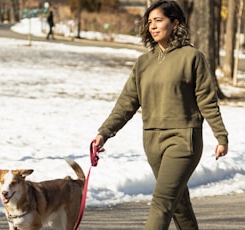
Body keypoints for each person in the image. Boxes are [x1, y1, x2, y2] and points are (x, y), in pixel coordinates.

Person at [92, 1, 228, 229]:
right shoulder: (143, 63)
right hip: (152, 141)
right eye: (149, 22)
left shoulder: (192, 57)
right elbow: (127, 102)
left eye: (158, 20)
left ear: (175, 23)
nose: (152, 26)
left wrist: (221, 136)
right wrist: (104, 133)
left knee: (162, 202)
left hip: (184, 140)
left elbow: (207, 99)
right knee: (179, 203)